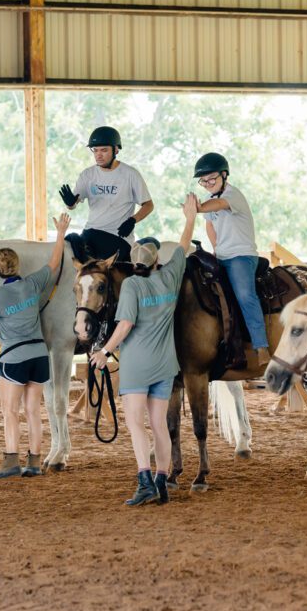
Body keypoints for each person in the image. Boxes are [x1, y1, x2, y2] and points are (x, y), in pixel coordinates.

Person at [91, 194, 198, 506]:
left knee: (135, 424)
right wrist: (190, 218)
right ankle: (161, 480)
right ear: (154, 261)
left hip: (138, 365)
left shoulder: (132, 287)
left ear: (134, 261)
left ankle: (144, 480)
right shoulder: (169, 276)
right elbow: (183, 246)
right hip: (166, 365)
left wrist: (105, 352)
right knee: (159, 424)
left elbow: (124, 325)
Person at [0, 213, 71, 480]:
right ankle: (33, 461)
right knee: (33, 410)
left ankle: (10, 462)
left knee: (10, 411)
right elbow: (54, 264)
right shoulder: (31, 284)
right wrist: (60, 232)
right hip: (39, 356)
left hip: (14, 358)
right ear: (17, 266)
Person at [191, 152, 269, 366]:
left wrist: (195, 208)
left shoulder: (233, 195)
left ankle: (261, 346)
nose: (207, 184)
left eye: (211, 179)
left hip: (241, 255)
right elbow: (209, 224)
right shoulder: (209, 200)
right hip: (223, 255)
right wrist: (216, 249)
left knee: (245, 295)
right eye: (203, 181)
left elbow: (218, 206)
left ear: (224, 175)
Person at [57, 126, 154, 262]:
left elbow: (149, 205)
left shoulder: (130, 174)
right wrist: (70, 203)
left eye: (104, 150)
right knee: (70, 248)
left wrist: (133, 220)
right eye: (95, 150)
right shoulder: (87, 174)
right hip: (90, 233)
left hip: (118, 236)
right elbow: (73, 206)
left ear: (116, 150)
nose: (98, 155)